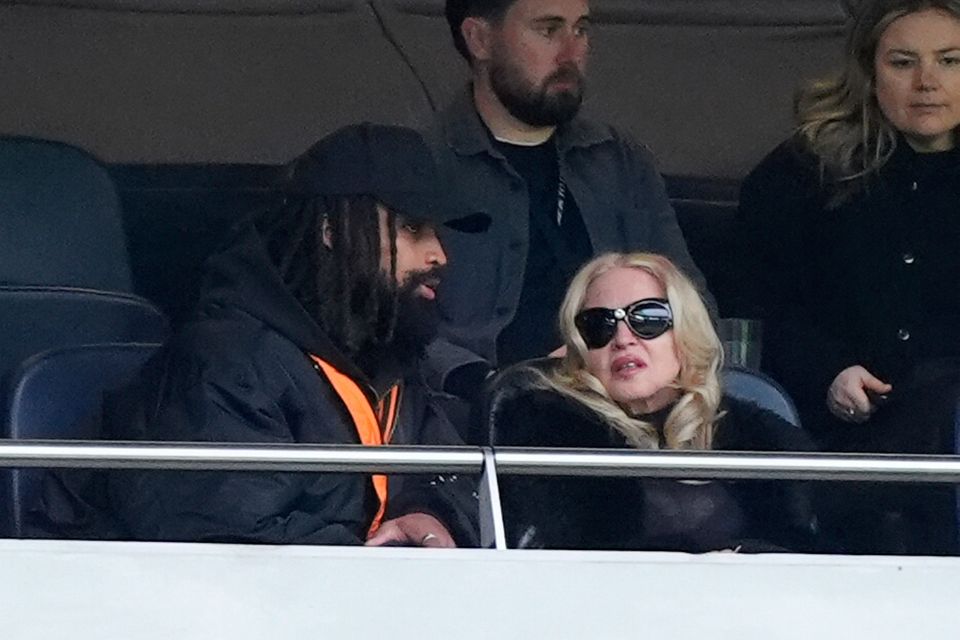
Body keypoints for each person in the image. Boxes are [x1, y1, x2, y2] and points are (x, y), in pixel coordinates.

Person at [31, 124, 485, 548]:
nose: (438, 254)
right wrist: (380, 564)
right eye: (412, 229)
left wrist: (430, 516)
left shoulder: (387, 359)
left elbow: (453, 479)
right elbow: (225, 541)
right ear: (336, 234)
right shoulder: (227, 361)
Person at [740, 0, 960, 553]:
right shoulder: (805, 170)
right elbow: (765, 306)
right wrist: (829, 370)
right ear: (870, 72)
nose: (928, 83)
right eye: (904, 62)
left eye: (951, 61)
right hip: (836, 426)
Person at [423, 0, 713, 404]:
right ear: (480, 39)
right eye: (549, 30)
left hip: (623, 414)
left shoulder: (617, 159)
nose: (571, 52)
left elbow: (689, 300)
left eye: (581, 30)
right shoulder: (421, 165)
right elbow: (383, 325)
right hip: (472, 421)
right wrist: (495, 381)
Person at [488, 252, 821, 552]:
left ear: (685, 331)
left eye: (647, 318)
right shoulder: (548, 437)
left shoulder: (759, 438)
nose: (623, 339)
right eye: (599, 325)